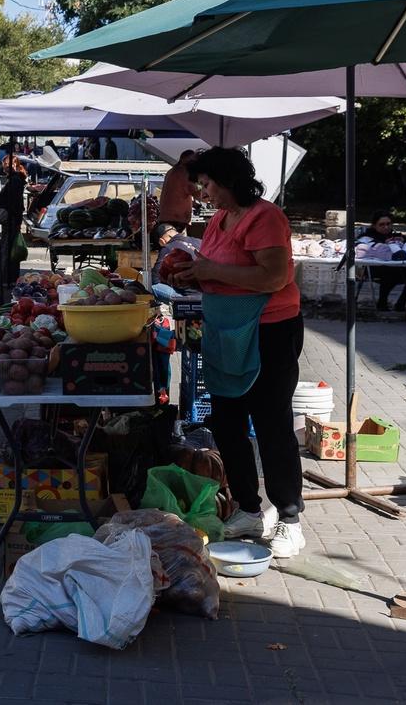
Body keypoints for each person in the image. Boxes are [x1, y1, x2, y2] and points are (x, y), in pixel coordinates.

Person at [170, 147, 306, 559]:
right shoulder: (217, 220)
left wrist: (211, 272)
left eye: (207, 184)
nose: (201, 192)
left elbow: (274, 276)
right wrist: (192, 275)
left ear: (228, 180)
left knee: (271, 423)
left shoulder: (265, 217)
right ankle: (248, 508)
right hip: (226, 331)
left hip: (270, 331)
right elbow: (217, 269)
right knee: (226, 421)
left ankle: (289, 518)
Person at [361, 210, 406, 311]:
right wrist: (384, 243)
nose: (386, 227)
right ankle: (382, 302)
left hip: (397, 265)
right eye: (382, 224)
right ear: (375, 226)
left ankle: (401, 303)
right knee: (392, 271)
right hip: (374, 267)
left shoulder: (394, 235)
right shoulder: (367, 236)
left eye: (388, 224)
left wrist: (404, 241)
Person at [0, 155, 27, 288]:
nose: (3, 167)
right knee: (9, 249)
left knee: (7, 249)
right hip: (12, 219)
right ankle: (9, 278)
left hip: (11, 219)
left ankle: (7, 279)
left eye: (5, 164)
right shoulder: (15, 179)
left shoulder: (15, 180)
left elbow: (13, 202)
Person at [159, 149, 199, 231]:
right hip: (176, 220)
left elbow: (176, 194)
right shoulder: (184, 173)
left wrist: (193, 203)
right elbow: (198, 194)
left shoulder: (172, 171)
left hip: (166, 218)